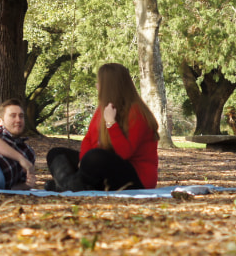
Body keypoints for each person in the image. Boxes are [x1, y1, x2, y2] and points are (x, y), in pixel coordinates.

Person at [47, 63, 159, 191]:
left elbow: (124, 153)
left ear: (110, 87)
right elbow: (89, 139)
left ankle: (68, 184)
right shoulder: (102, 110)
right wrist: (83, 163)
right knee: (56, 154)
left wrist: (111, 123)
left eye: (100, 83)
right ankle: (71, 184)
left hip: (137, 178)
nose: (96, 86)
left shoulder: (137, 113)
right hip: (104, 171)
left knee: (95, 157)